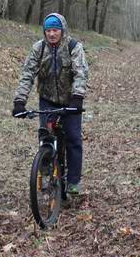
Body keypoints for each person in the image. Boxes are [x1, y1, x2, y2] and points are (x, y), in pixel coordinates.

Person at [12, 13, 89, 194]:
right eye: (48, 30)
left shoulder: (73, 47)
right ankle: (47, 174)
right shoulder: (38, 48)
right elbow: (27, 75)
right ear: (44, 32)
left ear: (62, 30)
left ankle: (73, 181)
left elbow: (81, 73)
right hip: (47, 99)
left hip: (71, 101)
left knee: (73, 139)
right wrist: (19, 101)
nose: (52, 34)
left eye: (55, 30)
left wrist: (77, 97)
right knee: (46, 136)